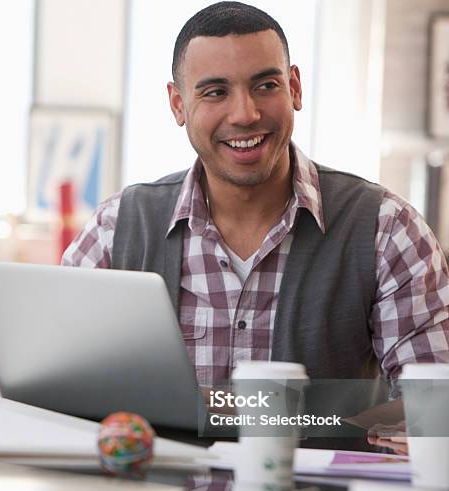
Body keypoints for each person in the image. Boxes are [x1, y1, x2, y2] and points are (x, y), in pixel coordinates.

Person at [62, 2, 449, 400]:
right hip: (158, 465)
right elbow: (63, 388)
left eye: (265, 86)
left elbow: (432, 411)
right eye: (216, 92)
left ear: (294, 88)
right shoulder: (116, 231)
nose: (245, 114)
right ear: (178, 104)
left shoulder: (385, 230)